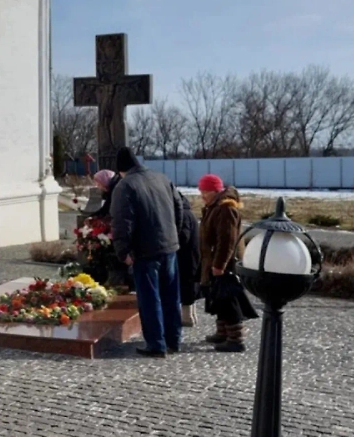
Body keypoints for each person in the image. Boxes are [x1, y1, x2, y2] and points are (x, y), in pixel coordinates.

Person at [109, 147, 185, 358]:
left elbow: (122, 222)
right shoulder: (161, 178)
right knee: (171, 296)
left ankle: (156, 344)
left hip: (144, 251)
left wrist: (123, 251)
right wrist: (173, 234)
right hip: (169, 246)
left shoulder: (125, 186)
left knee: (150, 299)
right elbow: (179, 207)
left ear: (121, 169)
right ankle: (174, 339)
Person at [199, 178, 258, 352]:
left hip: (226, 264)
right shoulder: (215, 207)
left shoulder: (226, 209)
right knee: (219, 297)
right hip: (218, 261)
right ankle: (223, 332)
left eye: (205, 192)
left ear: (215, 192)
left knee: (228, 298)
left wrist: (219, 264)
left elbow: (227, 240)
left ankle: (235, 338)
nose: (202, 196)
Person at [175, 188, 201, 328]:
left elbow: (183, 236)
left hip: (186, 256)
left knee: (187, 287)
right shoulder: (188, 212)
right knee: (190, 287)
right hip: (191, 255)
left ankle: (187, 318)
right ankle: (191, 316)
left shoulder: (183, 214)